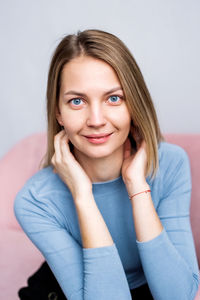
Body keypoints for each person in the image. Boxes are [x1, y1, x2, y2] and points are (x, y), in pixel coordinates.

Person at [14, 29, 199, 300]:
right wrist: (83, 196)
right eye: (77, 101)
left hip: (151, 286)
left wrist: (137, 187)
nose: (96, 119)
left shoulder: (170, 164)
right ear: (58, 112)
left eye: (114, 98)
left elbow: (178, 297)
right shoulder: (35, 201)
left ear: (133, 104)